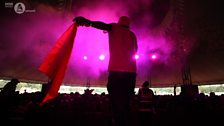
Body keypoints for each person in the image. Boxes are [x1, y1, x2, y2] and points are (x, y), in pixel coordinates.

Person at [73, 16, 138, 126]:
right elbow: (136, 50)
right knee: (126, 101)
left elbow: (101, 25)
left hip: (116, 71)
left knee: (115, 100)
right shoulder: (132, 35)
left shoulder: (114, 27)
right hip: (131, 73)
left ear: (119, 22)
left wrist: (87, 22)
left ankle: (116, 121)